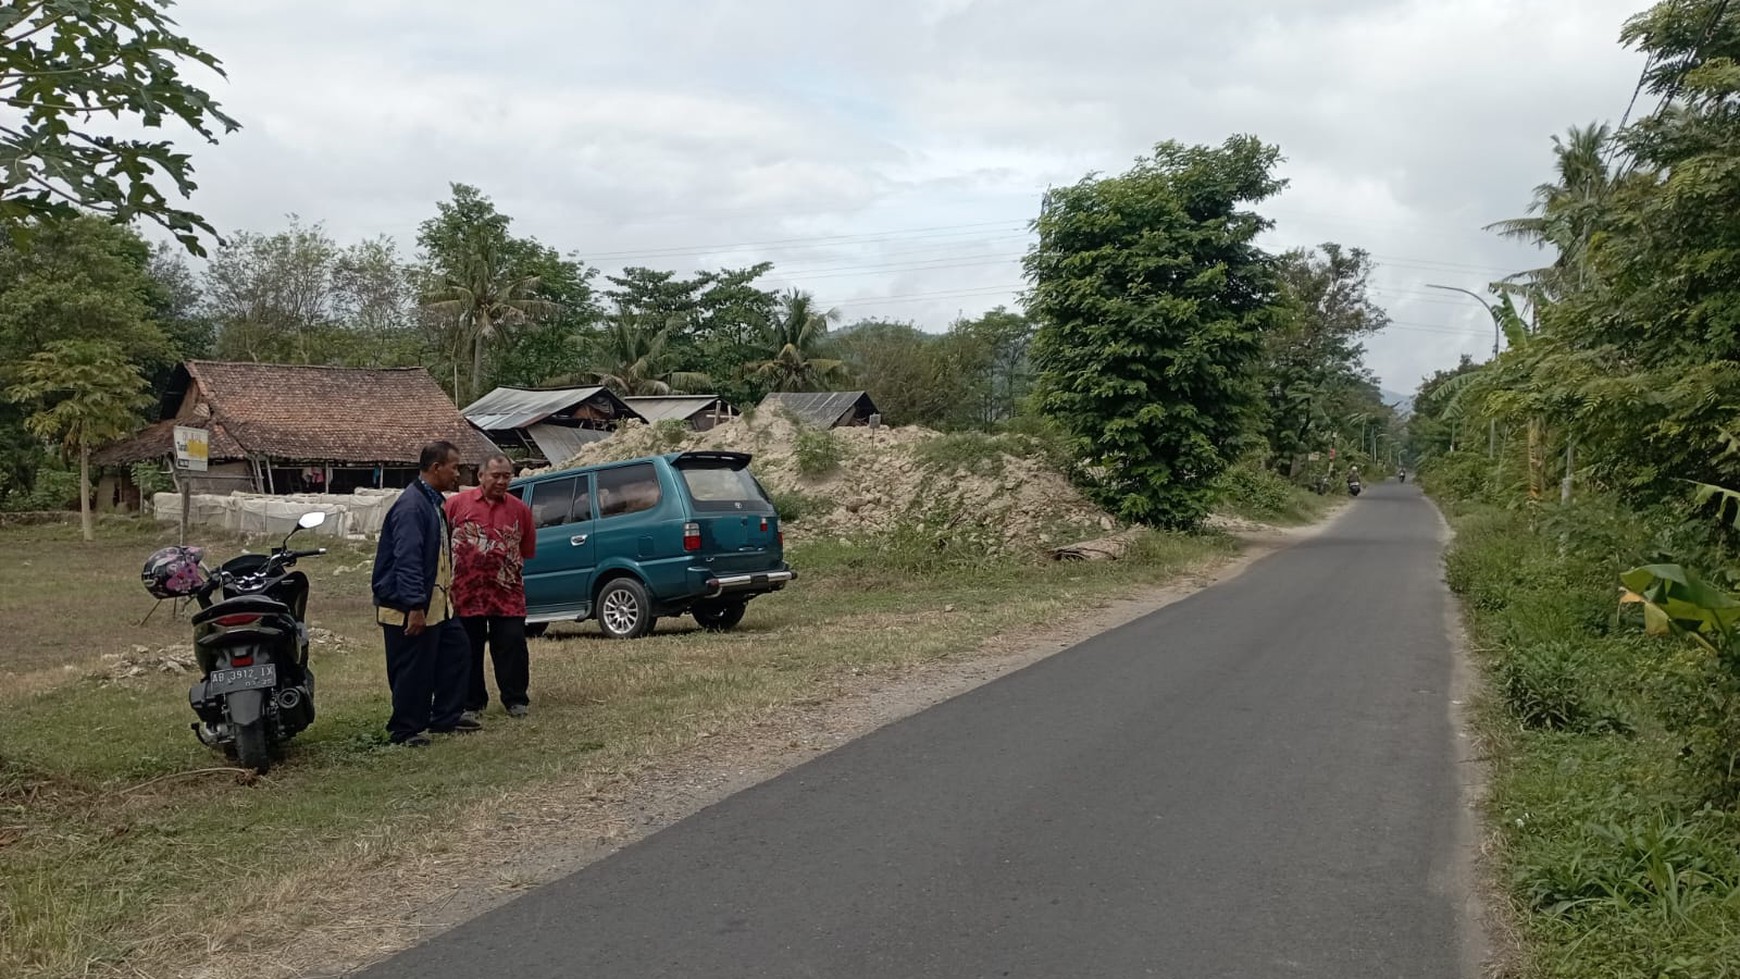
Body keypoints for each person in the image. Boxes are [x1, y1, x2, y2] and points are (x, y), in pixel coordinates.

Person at [372, 440, 478, 746]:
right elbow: (408, 559)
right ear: (436, 468)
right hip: (410, 606)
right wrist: (414, 606)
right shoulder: (411, 506)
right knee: (412, 668)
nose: (457, 474)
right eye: (454, 467)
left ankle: (444, 717)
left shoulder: (433, 502)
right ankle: (405, 730)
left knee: (456, 652)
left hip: (438, 604)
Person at [446, 453, 537, 720]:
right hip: (465, 593)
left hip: (506, 593)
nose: (501, 481)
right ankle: (470, 703)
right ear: (481, 475)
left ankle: (515, 699)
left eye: (506, 476)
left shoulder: (520, 509)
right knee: (467, 648)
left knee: (512, 644)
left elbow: (527, 549)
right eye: (495, 475)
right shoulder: (455, 505)